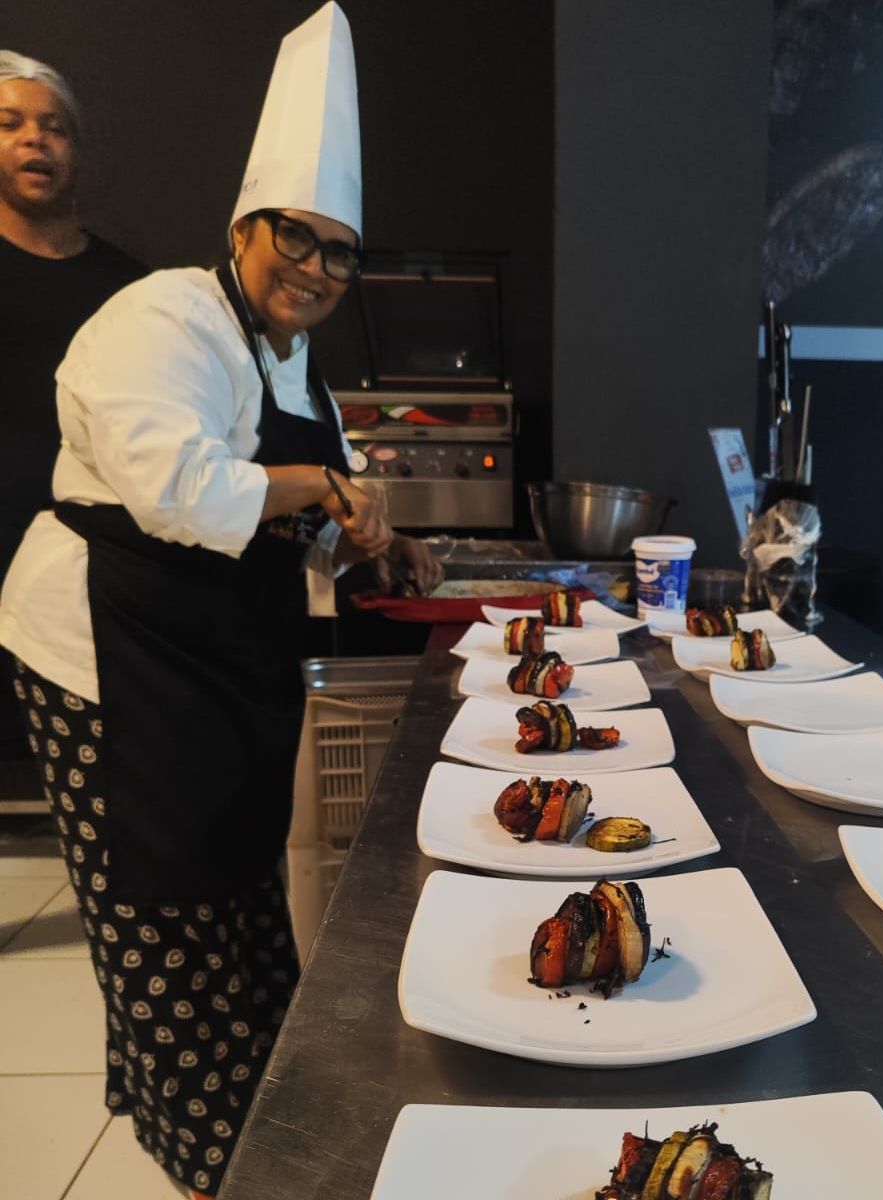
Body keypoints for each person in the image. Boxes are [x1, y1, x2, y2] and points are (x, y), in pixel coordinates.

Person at [0, 6, 439, 1196]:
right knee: (163, 915)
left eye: (339, 255)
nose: (315, 269)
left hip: (213, 666)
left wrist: (374, 546)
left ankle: (265, 1127)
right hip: (109, 657)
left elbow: (293, 527)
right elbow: (176, 488)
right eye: (297, 238)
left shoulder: (298, 368)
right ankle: (211, 1163)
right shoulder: (162, 316)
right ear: (245, 227)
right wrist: (324, 489)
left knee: (241, 898)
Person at [0, 51, 144, 771]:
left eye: (54, 127)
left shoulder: (130, 288)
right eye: (10, 123)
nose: (36, 138)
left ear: (76, 151)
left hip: (87, 573)